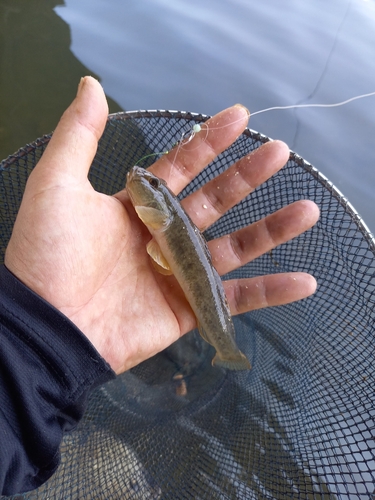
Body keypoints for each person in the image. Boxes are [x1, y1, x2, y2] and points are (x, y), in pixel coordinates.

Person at [0, 76, 320, 495]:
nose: (140, 179)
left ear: (160, 208)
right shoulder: (157, 222)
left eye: (152, 186)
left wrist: (32, 340)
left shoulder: (164, 219)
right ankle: (225, 347)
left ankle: (226, 348)